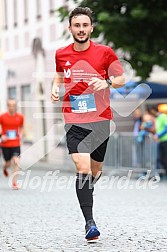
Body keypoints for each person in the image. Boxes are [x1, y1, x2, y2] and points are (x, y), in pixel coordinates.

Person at [51, 7, 125, 241]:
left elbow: (121, 78)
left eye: (85, 25)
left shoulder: (104, 52)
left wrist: (108, 82)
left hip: (101, 119)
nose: (81, 30)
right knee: (82, 168)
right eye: (77, 25)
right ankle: (89, 223)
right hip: (74, 118)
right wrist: (55, 86)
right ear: (70, 28)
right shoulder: (61, 53)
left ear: (91, 27)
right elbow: (60, 73)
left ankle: (88, 189)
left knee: (95, 172)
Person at [0, 99, 24, 189]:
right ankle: (5, 168)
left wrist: (21, 134)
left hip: (16, 143)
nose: (12, 107)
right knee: (8, 163)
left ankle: (14, 182)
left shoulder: (20, 117)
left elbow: (21, 127)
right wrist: (1, 135)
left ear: (16, 106)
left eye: (13, 105)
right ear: (7, 106)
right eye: (10, 105)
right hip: (5, 144)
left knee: (16, 161)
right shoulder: (2, 117)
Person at [150, 104, 167, 178]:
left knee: (165, 158)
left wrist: (158, 135)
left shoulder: (163, 116)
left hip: (165, 140)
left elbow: (166, 128)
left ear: (154, 110)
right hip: (160, 141)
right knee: (161, 158)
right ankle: (164, 173)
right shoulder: (157, 118)